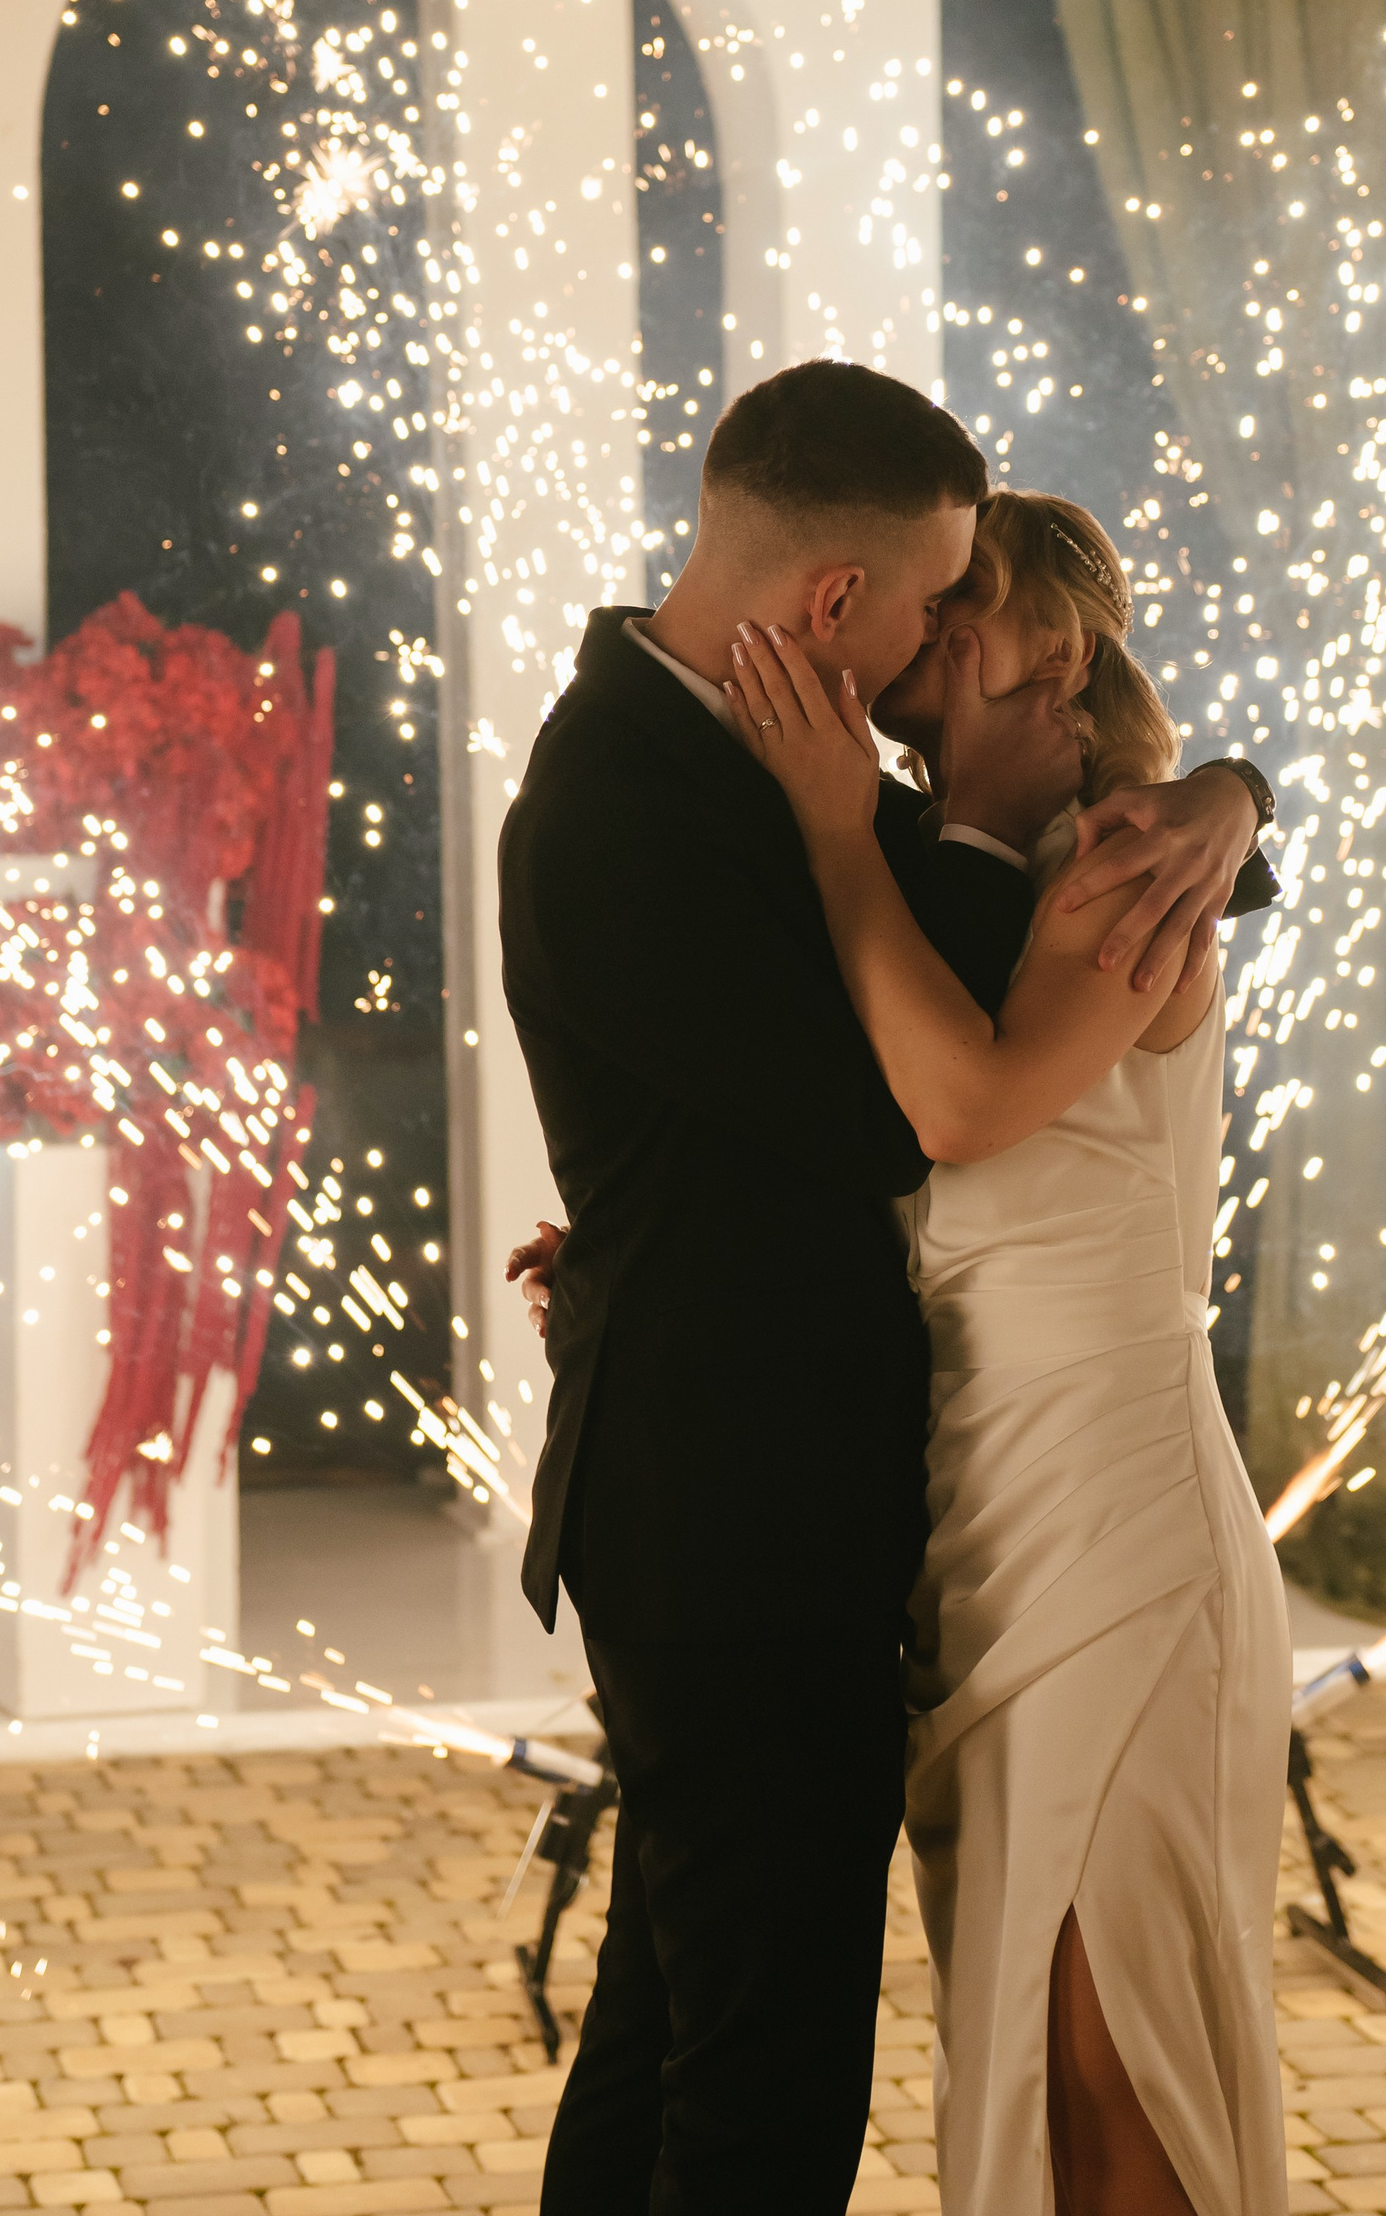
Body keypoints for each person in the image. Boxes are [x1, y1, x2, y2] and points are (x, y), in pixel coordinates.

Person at [498, 363, 1270, 2215]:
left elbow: (943, 1058)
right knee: (758, 2075)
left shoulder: (850, 803)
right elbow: (885, 1112)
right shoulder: (634, 798)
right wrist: (643, 1238)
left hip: (1022, 1505)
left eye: (958, 613)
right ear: (840, 596)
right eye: (925, 602)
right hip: (742, 1508)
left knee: (719, 2027)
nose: (927, 642)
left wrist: (1234, 799)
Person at [723, 487, 1289, 2216]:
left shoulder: (1129, 863)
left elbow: (966, 1108)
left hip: (1120, 1513)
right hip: (982, 1522)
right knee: (1030, 2053)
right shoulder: (947, 875)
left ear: (1059, 641)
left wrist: (838, 834)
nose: (937, 617)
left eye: (974, 593)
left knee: (1117, 2049)